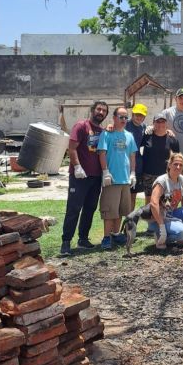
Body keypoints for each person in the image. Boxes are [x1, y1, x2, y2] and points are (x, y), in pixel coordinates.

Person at [60, 100, 109, 256]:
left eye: (104, 111)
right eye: (98, 109)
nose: (101, 112)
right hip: (80, 176)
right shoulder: (81, 126)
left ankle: (83, 239)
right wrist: (77, 166)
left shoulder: (102, 132)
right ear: (92, 110)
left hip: (95, 177)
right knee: (74, 208)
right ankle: (66, 242)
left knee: (89, 209)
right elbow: (72, 148)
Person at [98, 106, 138, 250]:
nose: (123, 120)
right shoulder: (106, 134)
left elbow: (132, 156)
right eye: (120, 117)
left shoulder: (129, 136)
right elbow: (102, 153)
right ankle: (106, 237)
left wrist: (133, 173)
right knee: (109, 211)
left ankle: (115, 235)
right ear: (114, 118)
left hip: (125, 181)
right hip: (112, 180)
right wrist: (105, 172)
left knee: (121, 211)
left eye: (125, 117)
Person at [150, 151, 183, 249]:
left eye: (181, 165)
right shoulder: (162, 181)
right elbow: (153, 203)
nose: (178, 167)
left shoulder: (182, 179)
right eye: (175, 164)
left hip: (172, 214)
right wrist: (161, 225)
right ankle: (160, 236)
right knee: (182, 232)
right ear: (169, 165)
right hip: (158, 217)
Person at [142, 114, 180, 199]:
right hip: (148, 175)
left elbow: (177, 158)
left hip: (164, 175)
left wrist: (174, 173)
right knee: (149, 201)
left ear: (166, 123)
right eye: (157, 122)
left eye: (163, 122)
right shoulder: (147, 136)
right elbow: (136, 149)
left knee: (164, 200)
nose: (160, 124)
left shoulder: (172, 139)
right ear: (153, 123)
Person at [126, 103, 148, 211]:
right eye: (137, 114)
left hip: (137, 165)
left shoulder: (144, 127)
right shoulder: (125, 124)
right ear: (132, 114)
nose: (139, 117)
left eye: (142, 115)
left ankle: (129, 222)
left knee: (132, 195)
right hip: (124, 164)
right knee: (122, 196)